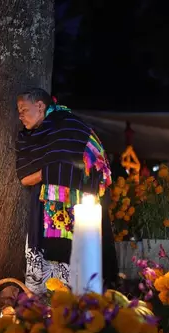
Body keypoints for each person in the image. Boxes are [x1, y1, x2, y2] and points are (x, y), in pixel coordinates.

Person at [15, 87, 118, 294]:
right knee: (42, 268)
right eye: (19, 111)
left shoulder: (67, 125)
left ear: (40, 106)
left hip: (77, 209)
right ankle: (42, 308)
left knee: (75, 267)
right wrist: (53, 171)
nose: (20, 116)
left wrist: (51, 171)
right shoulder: (32, 136)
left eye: (24, 110)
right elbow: (25, 177)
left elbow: (95, 164)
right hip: (43, 205)